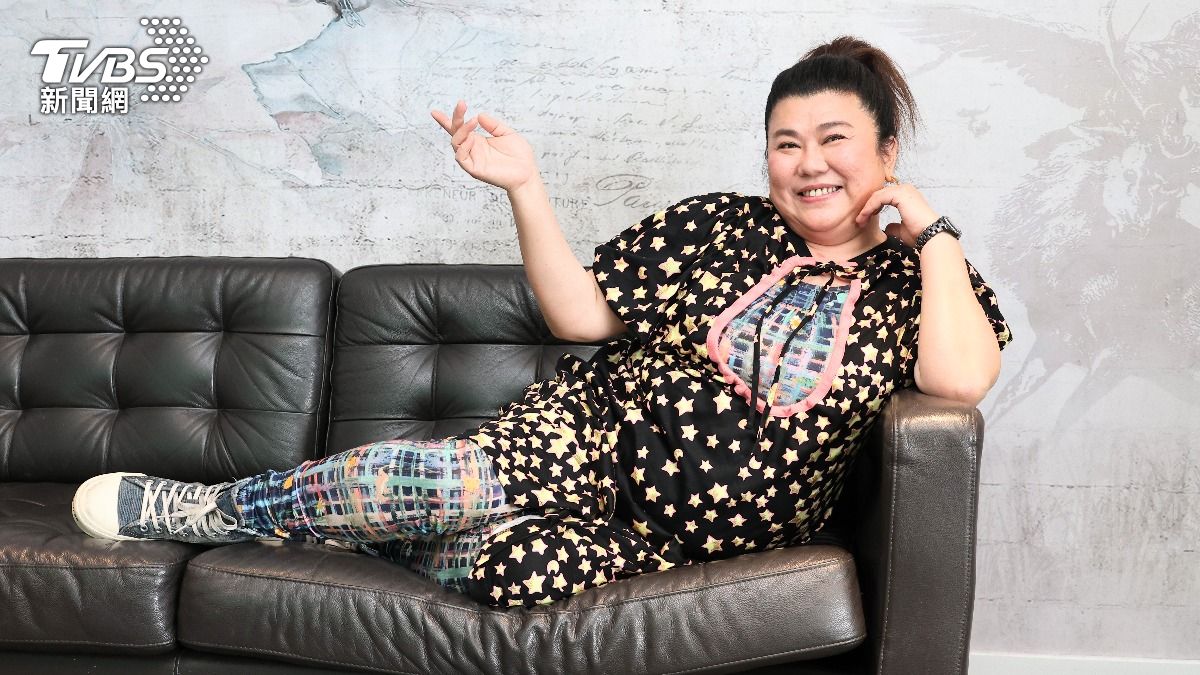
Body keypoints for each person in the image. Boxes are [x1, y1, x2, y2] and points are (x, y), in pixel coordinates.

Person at [71, 35, 1010, 609]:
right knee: (439, 477)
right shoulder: (718, 225)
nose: (809, 164)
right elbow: (580, 313)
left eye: (835, 140)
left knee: (511, 571)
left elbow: (959, 380)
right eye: (786, 143)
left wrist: (929, 233)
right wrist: (524, 185)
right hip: (583, 440)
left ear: (887, 150)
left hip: (666, 545)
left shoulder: (924, 278)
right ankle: (211, 509)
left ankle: (361, 524)